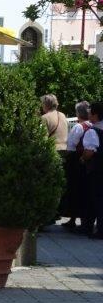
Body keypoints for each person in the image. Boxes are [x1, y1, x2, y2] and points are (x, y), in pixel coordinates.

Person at [61, 101, 92, 232]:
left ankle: (73, 218)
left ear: (78, 113)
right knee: (84, 190)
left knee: (73, 189)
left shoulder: (78, 127)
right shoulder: (91, 125)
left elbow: (71, 145)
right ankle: (81, 218)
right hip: (88, 161)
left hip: (76, 161)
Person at [79, 101, 103, 239]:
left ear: (95, 115)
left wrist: (82, 158)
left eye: (90, 112)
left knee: (96, 199)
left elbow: (89, 152)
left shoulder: (93, 132)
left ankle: (96, 229)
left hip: (96, 170)